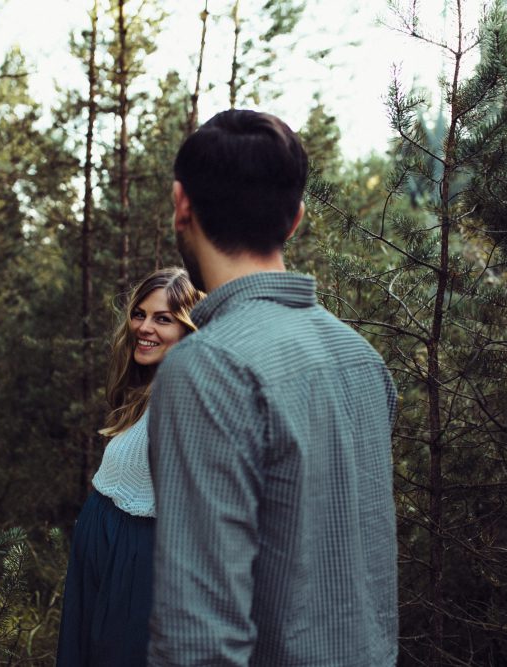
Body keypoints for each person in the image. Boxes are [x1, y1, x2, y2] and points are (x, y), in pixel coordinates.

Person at [147, 110, 398, 666]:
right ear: (295, 219)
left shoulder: (208, 367)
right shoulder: (361, 359)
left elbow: (199, 641)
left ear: (180, 203)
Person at [56, 267, 204, 667]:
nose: (144, 327)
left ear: (190, 328)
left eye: (163, 319)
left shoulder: (187, 392)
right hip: (102, 542)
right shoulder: (148, 390)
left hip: (140, 555)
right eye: (139, 314)